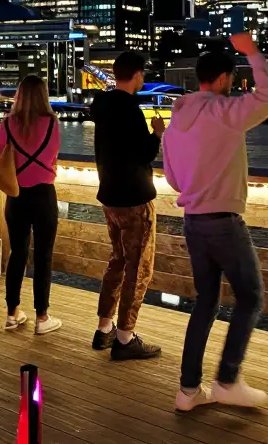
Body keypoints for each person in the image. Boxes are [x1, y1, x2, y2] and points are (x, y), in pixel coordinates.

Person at [161, 31, 268, 412]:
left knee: (206, 302)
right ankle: (227, 380)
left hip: (193, 221)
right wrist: (253, 52)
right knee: (251, 297)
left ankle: (188, 390)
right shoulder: (225, 112)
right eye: (232, 78)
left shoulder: (174, 123)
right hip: (224, 221)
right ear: (224, 78)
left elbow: (174, 180)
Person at [91, 51, 164, 361]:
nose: (143, 79)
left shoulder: (102, 106)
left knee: (118, 261)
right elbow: (143, 154)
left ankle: (104, 328)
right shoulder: (131, 109)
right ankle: (125, 337)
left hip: (110, 197)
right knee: (139, 268)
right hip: (134, 199)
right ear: (136, 75)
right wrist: (156, 134)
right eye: (142, 74)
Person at [0, 75, 63, 335]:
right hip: (44, 194)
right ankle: (42, 317)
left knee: (18, 253)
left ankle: (12, 314)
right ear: (44, 95)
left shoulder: (7, 123)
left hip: (17, 194)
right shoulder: (52, 123)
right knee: (43, 255)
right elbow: (53, 154)